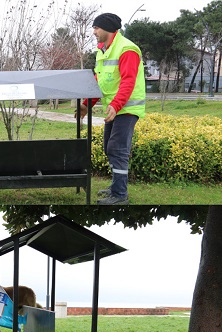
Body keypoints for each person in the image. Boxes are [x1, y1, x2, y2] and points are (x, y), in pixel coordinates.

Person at [76, 13, 145, 205]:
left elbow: (128, 81)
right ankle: (116, 187)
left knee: (117, 149)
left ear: (107, 28)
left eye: (96, 28)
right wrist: (86, 105)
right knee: (109, 147)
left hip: (126, 109)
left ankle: (120, 195)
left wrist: (116, 105)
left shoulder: (127, 49)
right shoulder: (103, 51)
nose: (94, 32)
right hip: (114, 108)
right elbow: (101, 82)